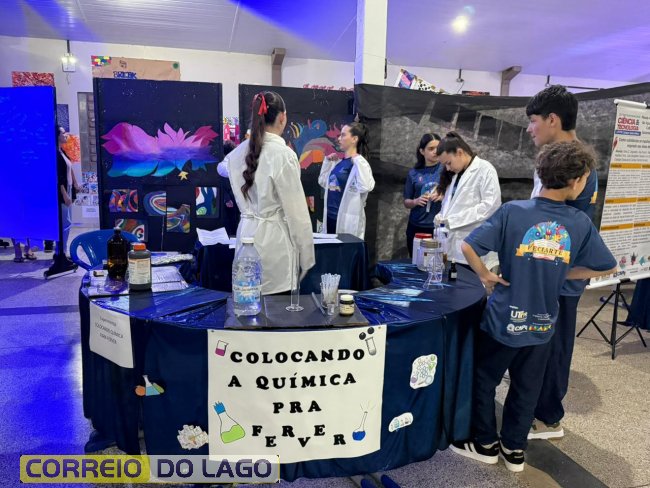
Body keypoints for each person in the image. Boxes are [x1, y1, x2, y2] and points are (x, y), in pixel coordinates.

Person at [450, 141, 616, 472]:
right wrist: (563, 271)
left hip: (502, 319)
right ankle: (514, 449)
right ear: (577, 181)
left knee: (484, 379)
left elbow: (469, 246)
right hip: (543, 323)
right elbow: (606, 266)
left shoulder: (513, 211)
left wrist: (485, 275)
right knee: (528, 387)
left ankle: (485, 442)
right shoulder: (579, 222)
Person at [525, 85, 599, 440]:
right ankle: (535, 407)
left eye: (533, 121)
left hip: (560, 276)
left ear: (552, 119)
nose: (530, 129)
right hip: (542, 270)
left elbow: (564, 228)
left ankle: (549, 418)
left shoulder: (578, 167)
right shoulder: (555, 159)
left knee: (555, 347)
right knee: (540, 343)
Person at [227, 91, 315, 295]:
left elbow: (223, 169)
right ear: (282, 117)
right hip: (274, 242)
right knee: (277, 305)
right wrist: (306, 255)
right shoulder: (284, 155)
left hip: (245, 237)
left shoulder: (237, 154)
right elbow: (297, 213)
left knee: (247, 298)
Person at [434, 131, 501, 269]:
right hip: (452, 250)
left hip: (473, 248)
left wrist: (454, 220)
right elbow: (451, 207)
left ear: (459, 152)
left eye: (448, 163)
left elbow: (491, 205)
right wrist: (441, 216)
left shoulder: (485, 169)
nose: (448, 168)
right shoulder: (455, 176)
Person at [318, 122, 375, 238]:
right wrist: (327, 163)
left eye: (343, 135)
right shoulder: (338, 163)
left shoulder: (360, 164)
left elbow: (366, 186)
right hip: (330, 219)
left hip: (347, 224)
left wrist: (358, 159)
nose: (339, 139)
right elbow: (323, 182)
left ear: (354, 139)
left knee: (345, 248)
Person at [403, 133, 444, 257]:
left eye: (438, 148)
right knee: (416, 261)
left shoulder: (447, 170)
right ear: (422, 151)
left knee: (436, 263)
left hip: (438, 226)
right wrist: (415, 201)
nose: (435, 151)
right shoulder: (414, 173)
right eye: (431, 149)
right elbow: (406, 202)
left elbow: (456, 195)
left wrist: (443, 197)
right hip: (416, 226)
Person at [45, 127, 81, 254]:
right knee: (65, 223)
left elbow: (69, 169)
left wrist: (75, 183)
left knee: (66, 222)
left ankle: (62, 250)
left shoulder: (62, 152)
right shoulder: (54, 154)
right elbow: (58, 177)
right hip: (62, 191)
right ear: (57, 136)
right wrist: (65, 194)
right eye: (63, 133)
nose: (66, 135)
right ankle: (61, 252)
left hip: (68, 188)